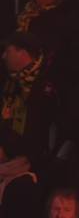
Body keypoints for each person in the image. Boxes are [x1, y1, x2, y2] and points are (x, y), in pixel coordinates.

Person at [1, 30, 55, 163]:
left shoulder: (46, 86)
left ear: (22, 53)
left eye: (8, 51)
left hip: (29, 161)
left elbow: (42, 133)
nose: (3, 56)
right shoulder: (10, 80)